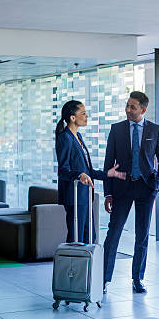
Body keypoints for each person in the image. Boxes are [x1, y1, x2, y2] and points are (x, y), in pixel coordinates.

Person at [102, 91, 159, 294]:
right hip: (121, 189)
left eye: (132, 107)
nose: (128, 110)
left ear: (143, 109)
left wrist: (158, 185)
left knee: (142, 236)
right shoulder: (117, 129)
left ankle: (137, 279)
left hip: (146, 189)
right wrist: (108, 193)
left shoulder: (155, 130)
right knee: (113, 233)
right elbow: (108, 162)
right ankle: (104, 279)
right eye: (127, 105)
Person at [55, 100, 125, 243]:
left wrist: (108, 174)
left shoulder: (78, 137)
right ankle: (72, 266)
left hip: (85, 196)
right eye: (83, 114)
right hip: (74, 197)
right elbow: (63, 171)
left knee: (89, 238)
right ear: (72, 118)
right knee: (76, 239)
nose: (87, 117)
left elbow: (87, 170)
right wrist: (79, 175)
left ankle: (87, 266)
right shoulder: (65, 138)